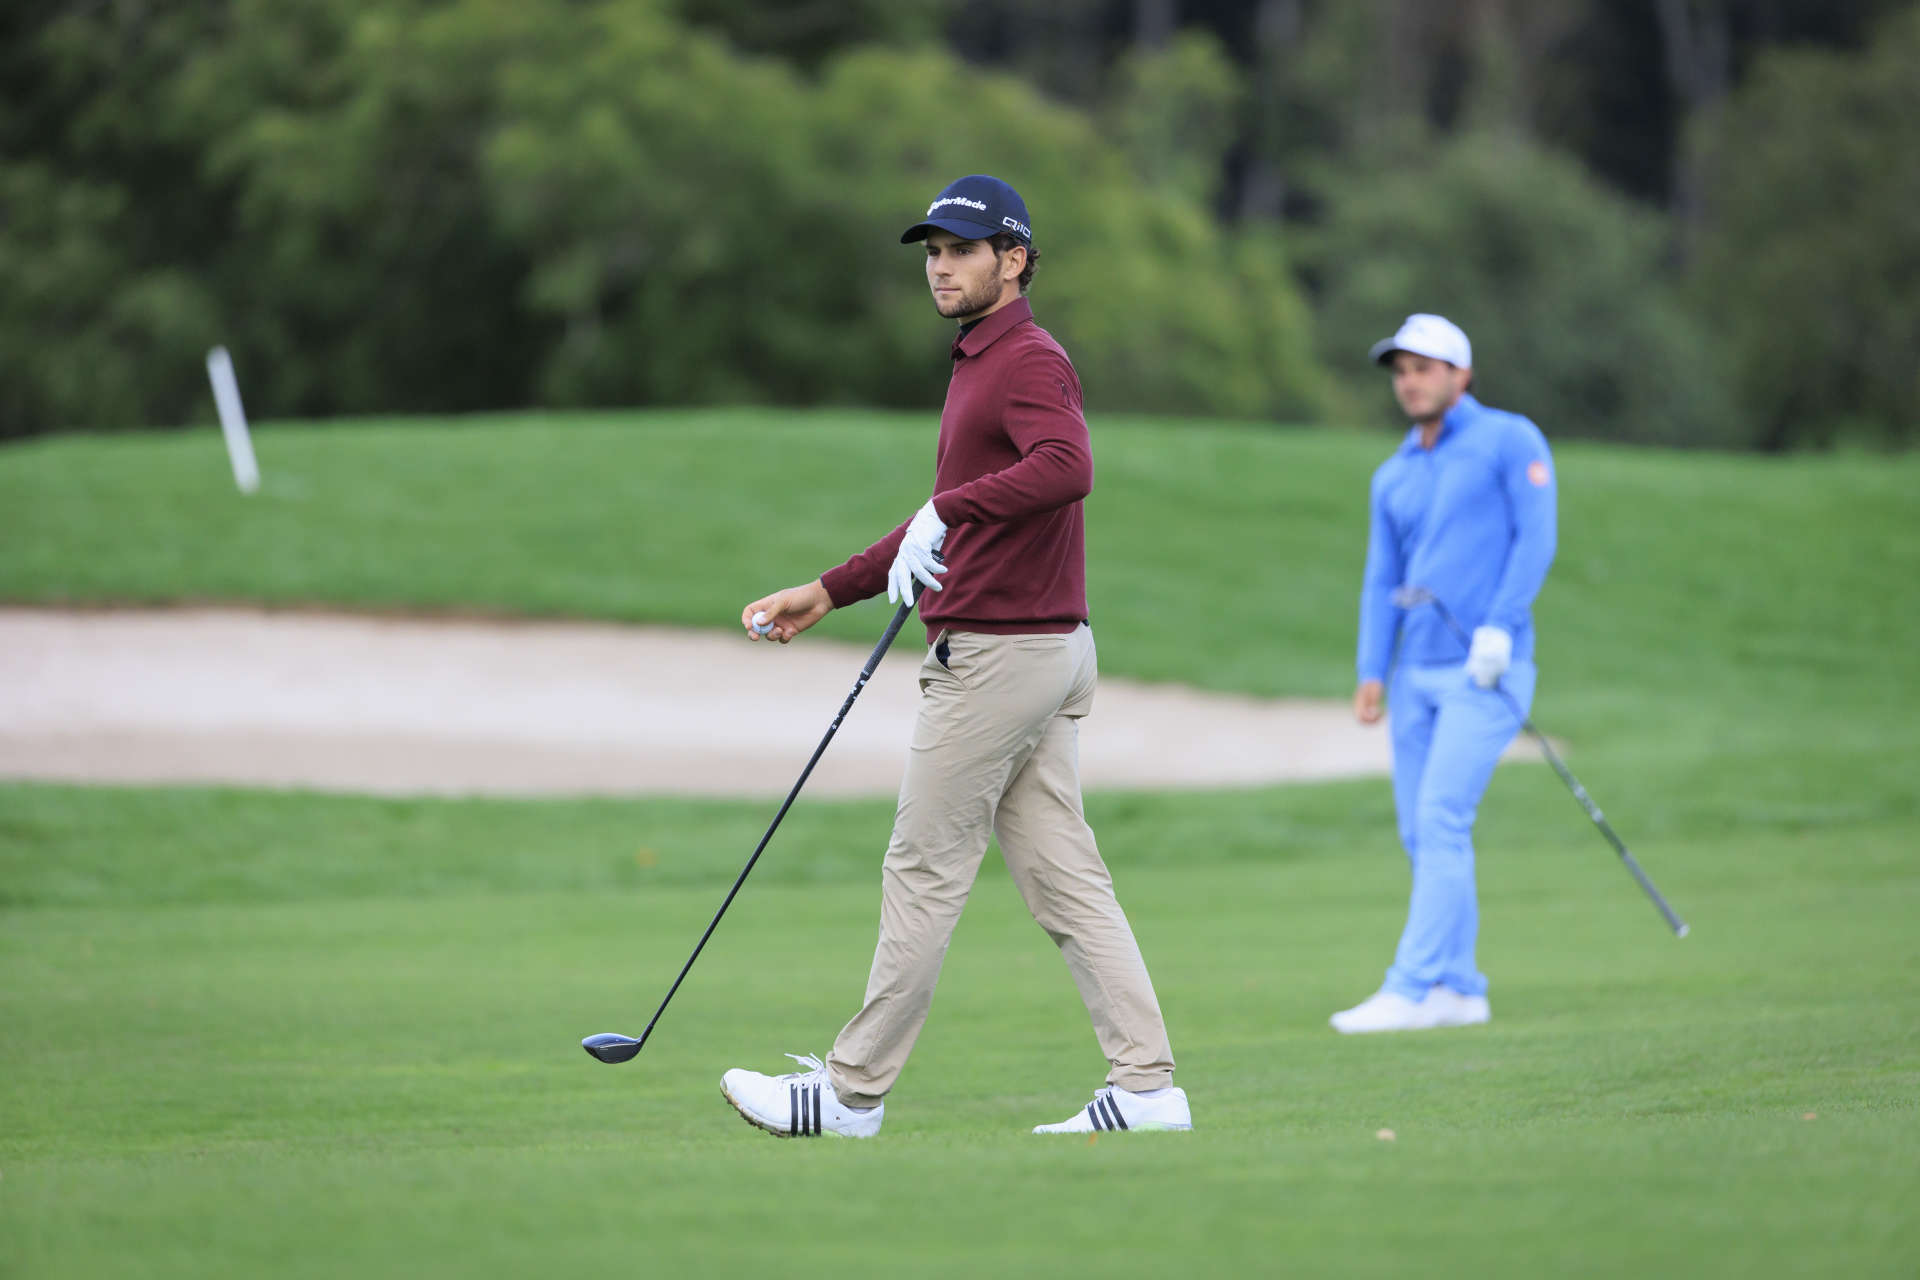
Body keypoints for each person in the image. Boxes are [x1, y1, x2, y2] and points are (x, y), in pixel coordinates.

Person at [719, 175, 1190, 1136]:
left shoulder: (1024, 357)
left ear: (1012, 260)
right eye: (932, 251)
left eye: (961, 250)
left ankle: (850, 1094)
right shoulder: (982, 359)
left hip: (1000, 658)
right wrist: (830, 588)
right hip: (1042, 650)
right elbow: (956, 509)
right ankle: (1147, 1089)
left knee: (923, 867)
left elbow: (1068, 468)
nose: (940, 266)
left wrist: (952, 507)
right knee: (1067, 880)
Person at [1333, 313, 1558, 1034]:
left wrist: (1501, 625)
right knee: (1419, 832)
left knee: (1440, 819)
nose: (1410, 382)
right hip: (1415, 675)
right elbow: (1380, 578)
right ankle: (1460, 988)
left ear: (1461, 374)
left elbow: (1536, 539)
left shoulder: (1509, 439)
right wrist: (1373, 666)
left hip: (1487, 669)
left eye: (1424, 368)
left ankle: (1412, 985)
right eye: (1401, 371)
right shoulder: (1392, 473)